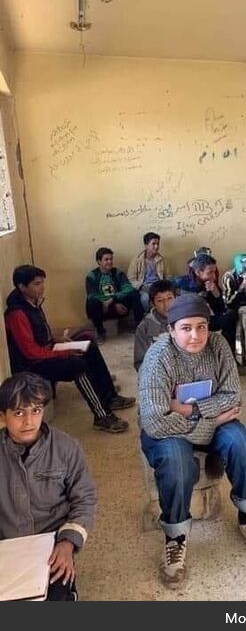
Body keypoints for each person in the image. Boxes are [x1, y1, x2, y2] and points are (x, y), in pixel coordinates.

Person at [139, 294, 246, 589]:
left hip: (196, 421)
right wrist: (211, 421)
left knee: (243, 445)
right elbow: (155, 420)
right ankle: (175, 537)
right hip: (167, 432)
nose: (195, 335)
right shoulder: (158, 356)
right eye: (186, 328)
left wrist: (189, 409)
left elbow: (233, 397)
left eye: (201, 326)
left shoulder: (217, 345)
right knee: (178, 464)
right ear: (171, 330)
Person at [0, 372, 97, 601]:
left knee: (56, 598)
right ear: (3, 416)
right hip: (7, 548)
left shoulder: (66, 448)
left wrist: (67, 543)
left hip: (52, 548)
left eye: (36, 411)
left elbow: (84, 498)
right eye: (18, 412)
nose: (29, 421)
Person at [5, 265, 132, 433]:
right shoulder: (17, 313)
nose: (41, 287)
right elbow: (30, 352)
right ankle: (101, 416)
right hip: (32, 364)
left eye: (42, 282)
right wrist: (63, 352)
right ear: (22, 287)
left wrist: (56, 340)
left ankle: (110, 397)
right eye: (36, 284)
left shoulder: (33, 300)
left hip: (45, 350)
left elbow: (39, 332)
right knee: (77, 365)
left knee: (90, 348)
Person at [174, 254, 237, 354]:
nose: (214, 276)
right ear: (198, 272)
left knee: (231, 316)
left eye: (214, 272)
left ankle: (228, 354)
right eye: (210, 272)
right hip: (188, 321)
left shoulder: (210, 283)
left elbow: (220, 310)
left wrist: (215, 292)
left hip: (207, 319)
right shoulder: (181, 283)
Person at [86, 247, 143, 342]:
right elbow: (92, 295)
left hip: (120, 306)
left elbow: (128, 288)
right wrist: (112, 305)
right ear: (99, 261)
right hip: (103, 308)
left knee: (134, 293)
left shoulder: (118, 273)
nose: (110, 262)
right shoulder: (92, 276)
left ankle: (139, 327)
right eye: (106, 259)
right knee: (92, 302)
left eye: (111, 259)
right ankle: (100, 332)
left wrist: (112, 300)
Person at [134, 279, 175, 371]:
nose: (166, 305)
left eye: (170, 298)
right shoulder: (144, 327)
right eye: (160, 301)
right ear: (153, 304)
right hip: (158, 374)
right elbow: (140, 362)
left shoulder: (185, 320)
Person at [128, 232, 166, 312]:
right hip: (144, 287)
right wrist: (142, 287)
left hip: (158, 286)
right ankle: (149, 317)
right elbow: (131, 279)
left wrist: (164, 285)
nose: (156, 246)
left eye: (158, 244)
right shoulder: (137, 260)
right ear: (146, 245)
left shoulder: (161, 259)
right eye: (153, 244)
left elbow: (168, 276)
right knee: (145, 299)